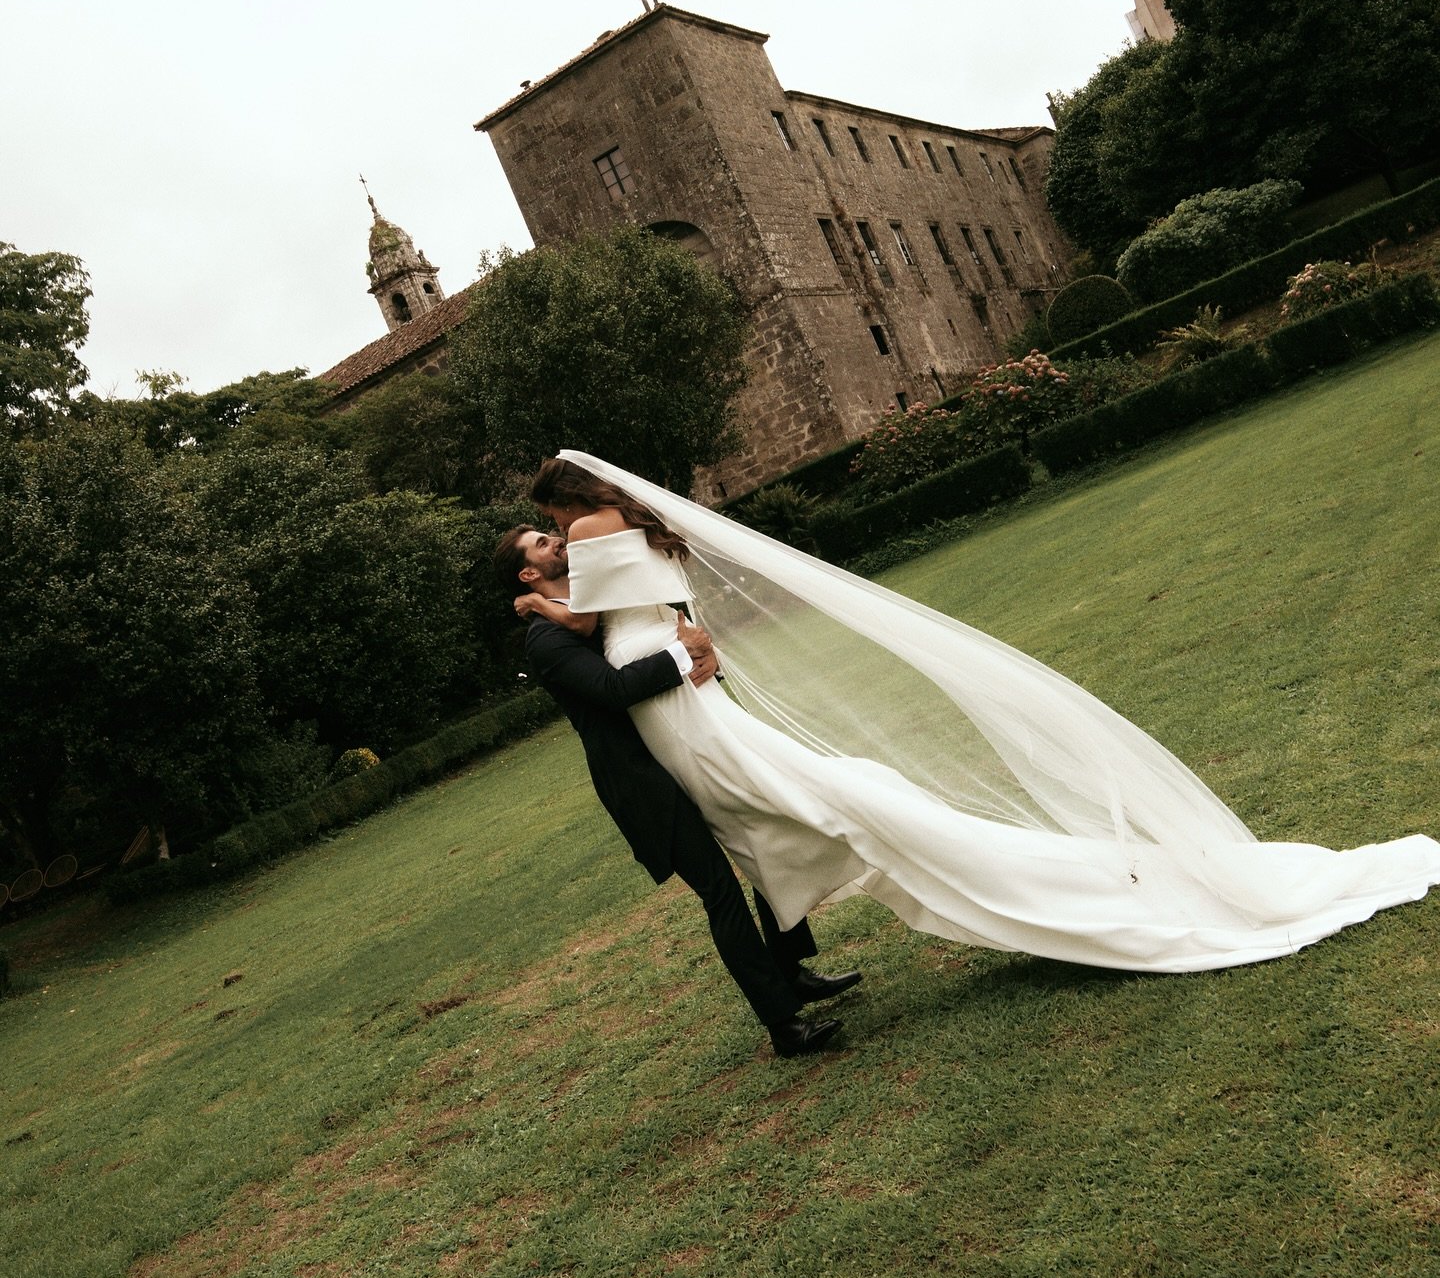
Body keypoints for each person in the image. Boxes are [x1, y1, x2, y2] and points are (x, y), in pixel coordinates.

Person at [517, 451, 1440, 976]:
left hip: (666, 688)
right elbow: (662, 609)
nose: (556, 537)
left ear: (569, 502)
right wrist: (682, 643)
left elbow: (590, 622)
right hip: (679, 678)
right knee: (781, 792)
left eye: (551, 521)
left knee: (789, 796)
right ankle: (810, 898)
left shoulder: (592, 532)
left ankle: (838, 882)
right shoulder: (634, 524)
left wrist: (535, 605)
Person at [492, 523, 861, 1059]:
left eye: (552, 533)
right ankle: (784, 1026)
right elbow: (613, 689)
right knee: (721, 891)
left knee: (761, 833)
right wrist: (679, 654)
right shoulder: (546, 641)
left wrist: (700, 654)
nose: (557, 540)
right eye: (543, 544)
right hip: (643, 782)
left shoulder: (587, 612)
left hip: (681, 748)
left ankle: (790, 971)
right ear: (528, 573)